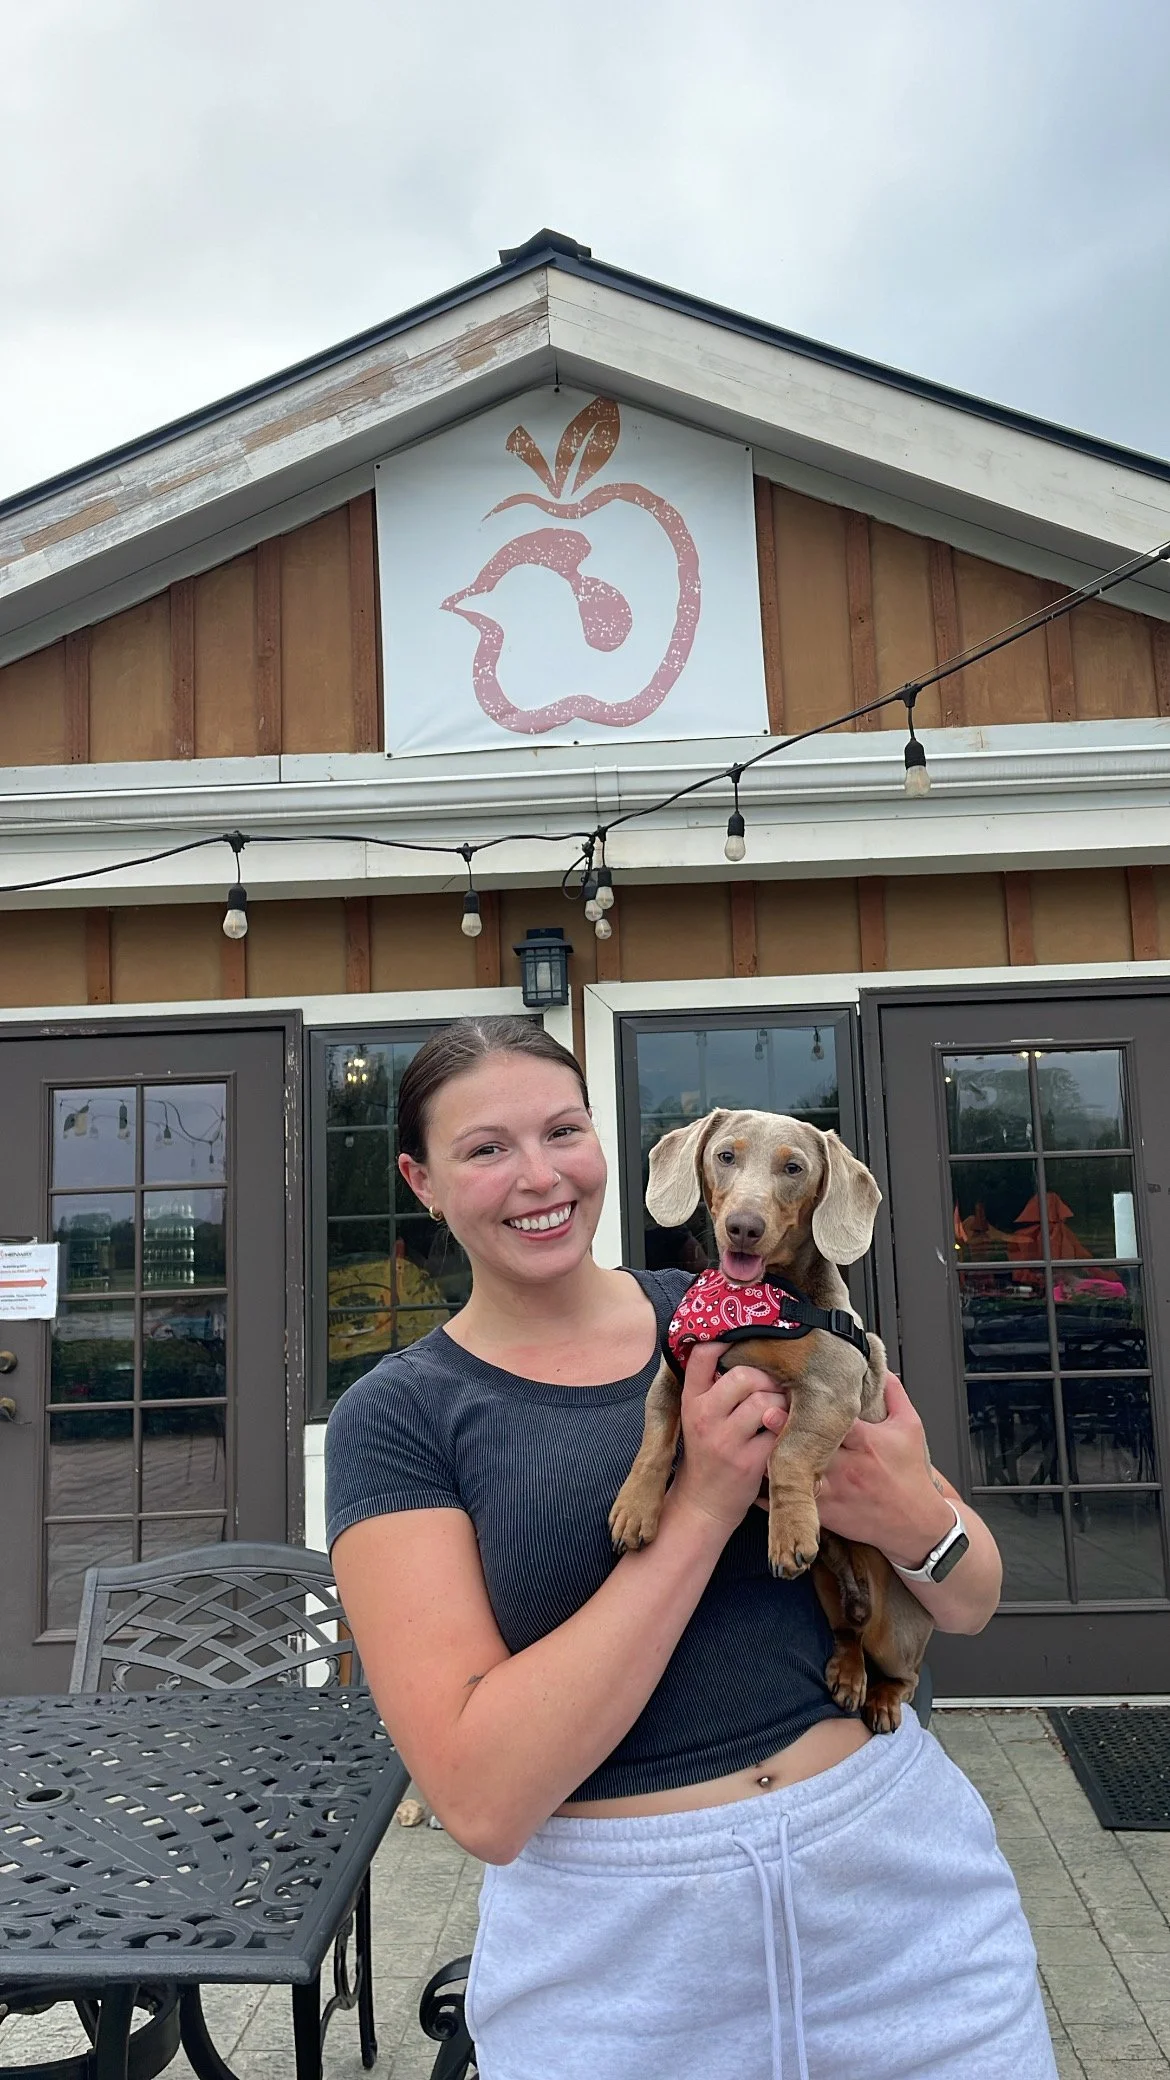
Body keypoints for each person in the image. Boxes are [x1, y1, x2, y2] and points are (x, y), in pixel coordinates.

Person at [326, 1015, 1055, 2080]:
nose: (540, 1176)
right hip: (625, 1973)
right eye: (485, 1148)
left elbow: (972, 1591)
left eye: (563, 1132)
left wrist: (916, 1522)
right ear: (421, 1179)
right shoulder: (401, 1416)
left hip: (905, 1913)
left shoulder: (740, 1309)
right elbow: (480, 1798)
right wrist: (706, 1503)